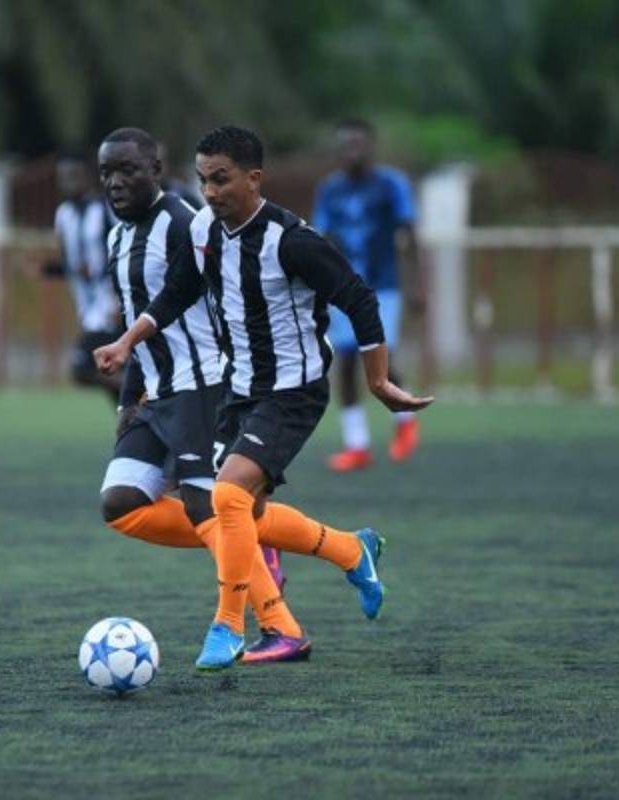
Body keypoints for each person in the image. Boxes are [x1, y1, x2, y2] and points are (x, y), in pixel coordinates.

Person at [96, 125, 433, 670]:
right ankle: (352, 550)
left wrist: (378, 382)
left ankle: (229, 627)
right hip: (240, 390)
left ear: (254, 178)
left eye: (221, 180)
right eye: (203, 180)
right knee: (241, 512)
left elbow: (358, 298)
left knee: (225, 498)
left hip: (293, 391)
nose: (210, 192)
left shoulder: (292, 241)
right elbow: (177, 293)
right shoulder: (204, 230)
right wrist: (127, 343)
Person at [94, 127, 307, 663]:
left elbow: (217, 301)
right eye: (106, 173)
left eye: (127, 170)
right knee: (120, 503)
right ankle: (314, 544)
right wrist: (127, 400)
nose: (115, 182)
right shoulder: (117, 238)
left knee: (202, 507)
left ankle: (280, 626)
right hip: (157, 392)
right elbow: (137, 323)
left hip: (204, 383)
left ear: (156, 170)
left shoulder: (186, 225)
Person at [313, 119, 424, 472]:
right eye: (345, 145)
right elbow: (321, 237)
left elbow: (409, 235)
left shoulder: (391, 184)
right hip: (344, 289)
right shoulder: (330, 189)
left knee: (381, 358)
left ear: (371, 147)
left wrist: (418, 284)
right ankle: (357, 445)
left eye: (358, 144)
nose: (352, 151)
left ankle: (405, 421)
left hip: (383, 286)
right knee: (345, 363)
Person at [43, 150, 123, 405]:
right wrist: (47, 269)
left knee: (82, 369)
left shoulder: (106, 209)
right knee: (108, 368)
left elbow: (123, 251)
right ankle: (133, 411)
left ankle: (142, 394)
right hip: (88, 308)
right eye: (64, 176)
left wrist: (120, 298)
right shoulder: (63, 214)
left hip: (110, 306)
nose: (68, 181)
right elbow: (71, 263)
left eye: (74, 174)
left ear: (89, 176)